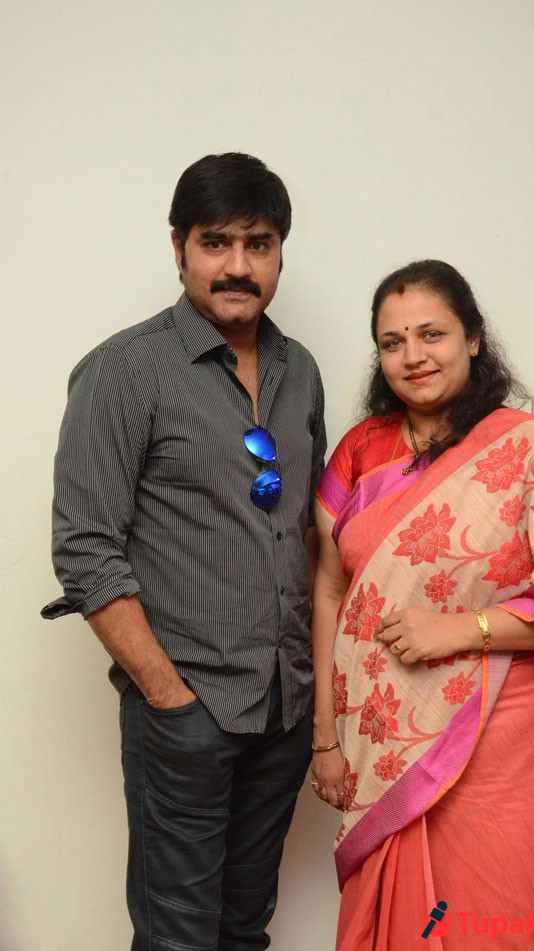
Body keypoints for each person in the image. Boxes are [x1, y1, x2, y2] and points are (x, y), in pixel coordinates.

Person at [42, 152, 326, 951]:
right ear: (179, 247)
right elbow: (85, 547)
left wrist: (311, 698)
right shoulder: (125, 370)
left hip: (283, 710)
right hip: (186, 713)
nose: (238, 265)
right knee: (178, 938)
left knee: (244, 930)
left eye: (259, 244)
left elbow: (308, 530)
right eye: (215, 242)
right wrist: (170, 699)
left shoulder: (299, 370)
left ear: (280, 252)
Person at [310, 260, 534, 949]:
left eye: (432, 334)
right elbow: (330, 588)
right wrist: (325, 736)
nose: (413, 355)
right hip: (381, 741)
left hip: (504, 743)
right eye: (392, 342)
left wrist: (460, 629)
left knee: (497, 913)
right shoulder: (361, 452)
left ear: (473, 338)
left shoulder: (532, 447)